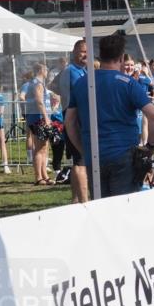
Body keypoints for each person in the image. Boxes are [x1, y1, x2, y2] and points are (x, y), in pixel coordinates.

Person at [65, 33, 154, 199]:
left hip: (94, 155)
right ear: (121, 58)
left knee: (101, 209)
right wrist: (151, 146)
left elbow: (69, 122)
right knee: (124, 208)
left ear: (100, 55)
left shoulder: (82, 83)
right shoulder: (128, 84)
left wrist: (83, 149)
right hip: (123, 154)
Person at [54, 39, 90, 202]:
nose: (86, 54)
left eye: (88, 51)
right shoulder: (71, 71)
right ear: (74, 52)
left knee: (79, 160)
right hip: (74, 119)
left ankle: (76, 200)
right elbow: (82, 94)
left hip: (78, 118)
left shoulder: (83, 70)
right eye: (83, 51)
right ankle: (84, 201)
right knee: (81, 160)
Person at [25, 62, 58, 185]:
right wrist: (46, 117)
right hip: (38, 118)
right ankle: (38, 177)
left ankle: (44, 175)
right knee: (40, 148)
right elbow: (39, 101)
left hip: (39, 117)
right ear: (41, 70)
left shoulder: (36, 83)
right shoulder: (37, 84)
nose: (47, 72)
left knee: (44, 147)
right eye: (46, 69)